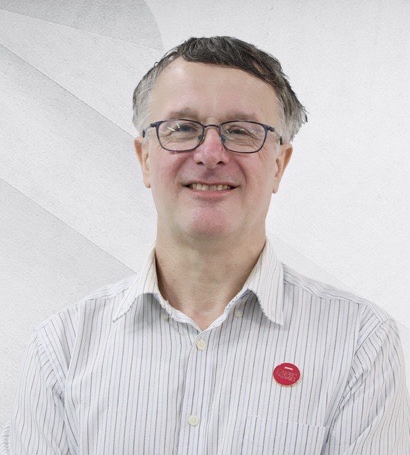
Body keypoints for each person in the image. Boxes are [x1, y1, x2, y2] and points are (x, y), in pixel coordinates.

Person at [1, 36, 409, 454]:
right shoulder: (62, 346)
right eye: (182, 128)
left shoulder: (360, 343)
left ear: (279, 165)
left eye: (241, 131)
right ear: (144, 158)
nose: (210, 153)